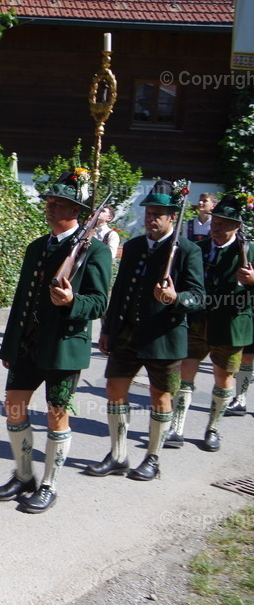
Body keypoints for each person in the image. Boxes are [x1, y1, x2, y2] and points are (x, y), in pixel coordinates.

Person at [0, 171, 111, 513]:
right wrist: (10, 346)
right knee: (13, 408)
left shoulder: (96, 251)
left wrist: (72, 302)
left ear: (77, 210)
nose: (51, 208)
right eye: (50, 202)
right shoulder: (37, 247)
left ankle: (49, 485)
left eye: (60, 204)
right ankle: (24, 475)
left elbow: (99, 303)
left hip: (64, 348)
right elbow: (21, 301)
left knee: (57, 416)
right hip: (28, 345)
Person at [85, 179, 204, 482]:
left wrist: (175, 298)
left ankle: (153, 457)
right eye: (149, 213)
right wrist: (107, 329)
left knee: (160, 396)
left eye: (158, 214)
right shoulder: (135, 246)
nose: (151, 218)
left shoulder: (188, 250)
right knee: (114, 389)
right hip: (127, 332)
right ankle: (119, 454)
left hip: (165, 337)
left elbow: (198, 296)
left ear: (172, 217)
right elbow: (120, 288)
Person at [165, 194, 254, 452]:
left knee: (223, 377)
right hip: (196, 322)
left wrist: (252, 281)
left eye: (224, 223)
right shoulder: (198, 248)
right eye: (215, 221)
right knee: (185, 375)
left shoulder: (249, 250)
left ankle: (212, 429)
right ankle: (177, 428)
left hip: (231, 326)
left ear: (237, 226)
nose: (216, 226)